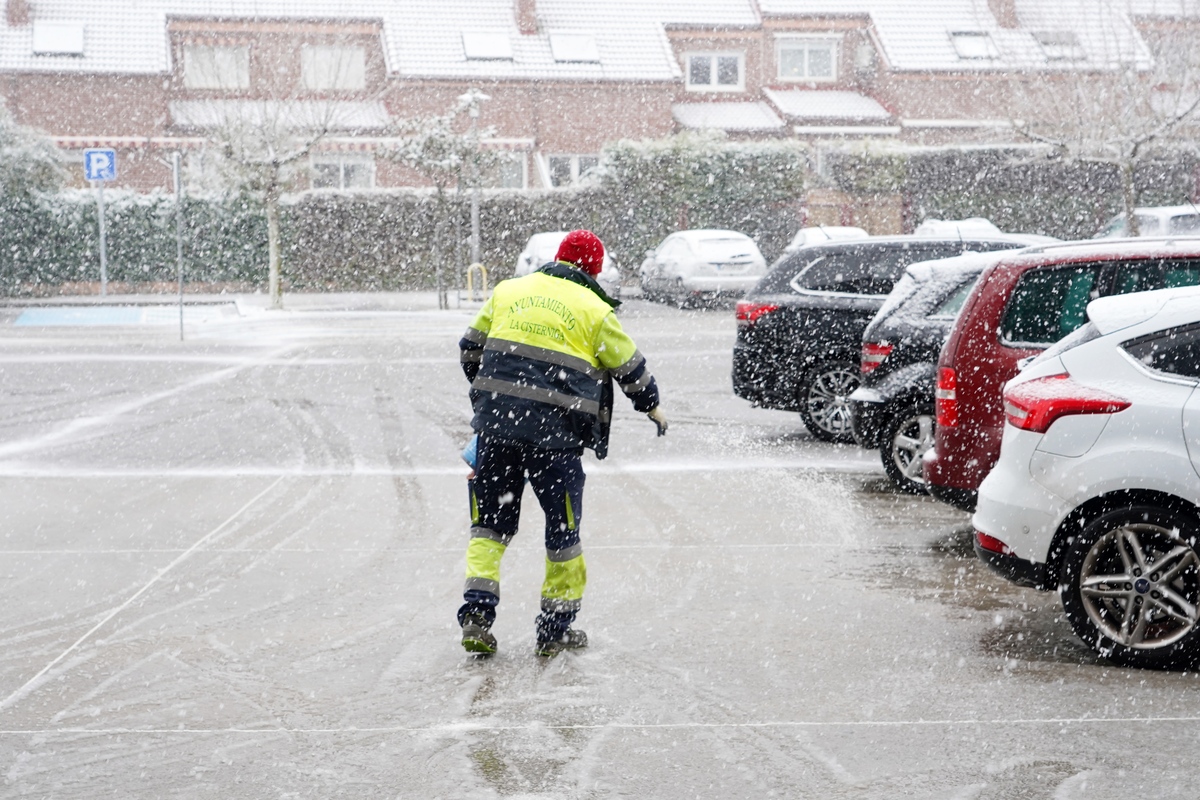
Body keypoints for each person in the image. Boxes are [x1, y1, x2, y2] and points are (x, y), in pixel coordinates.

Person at [456, 229, 668, 658]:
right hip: (555, 442)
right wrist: (653, 407)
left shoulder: (508, 291)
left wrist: (495, 399)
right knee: (563, 532)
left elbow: (469, 349)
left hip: (497, 430)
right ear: (593, 269)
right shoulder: (594, 308)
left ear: (557, 258)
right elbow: (631, 369)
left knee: (489, 529)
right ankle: (554, 630)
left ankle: (477, 615)